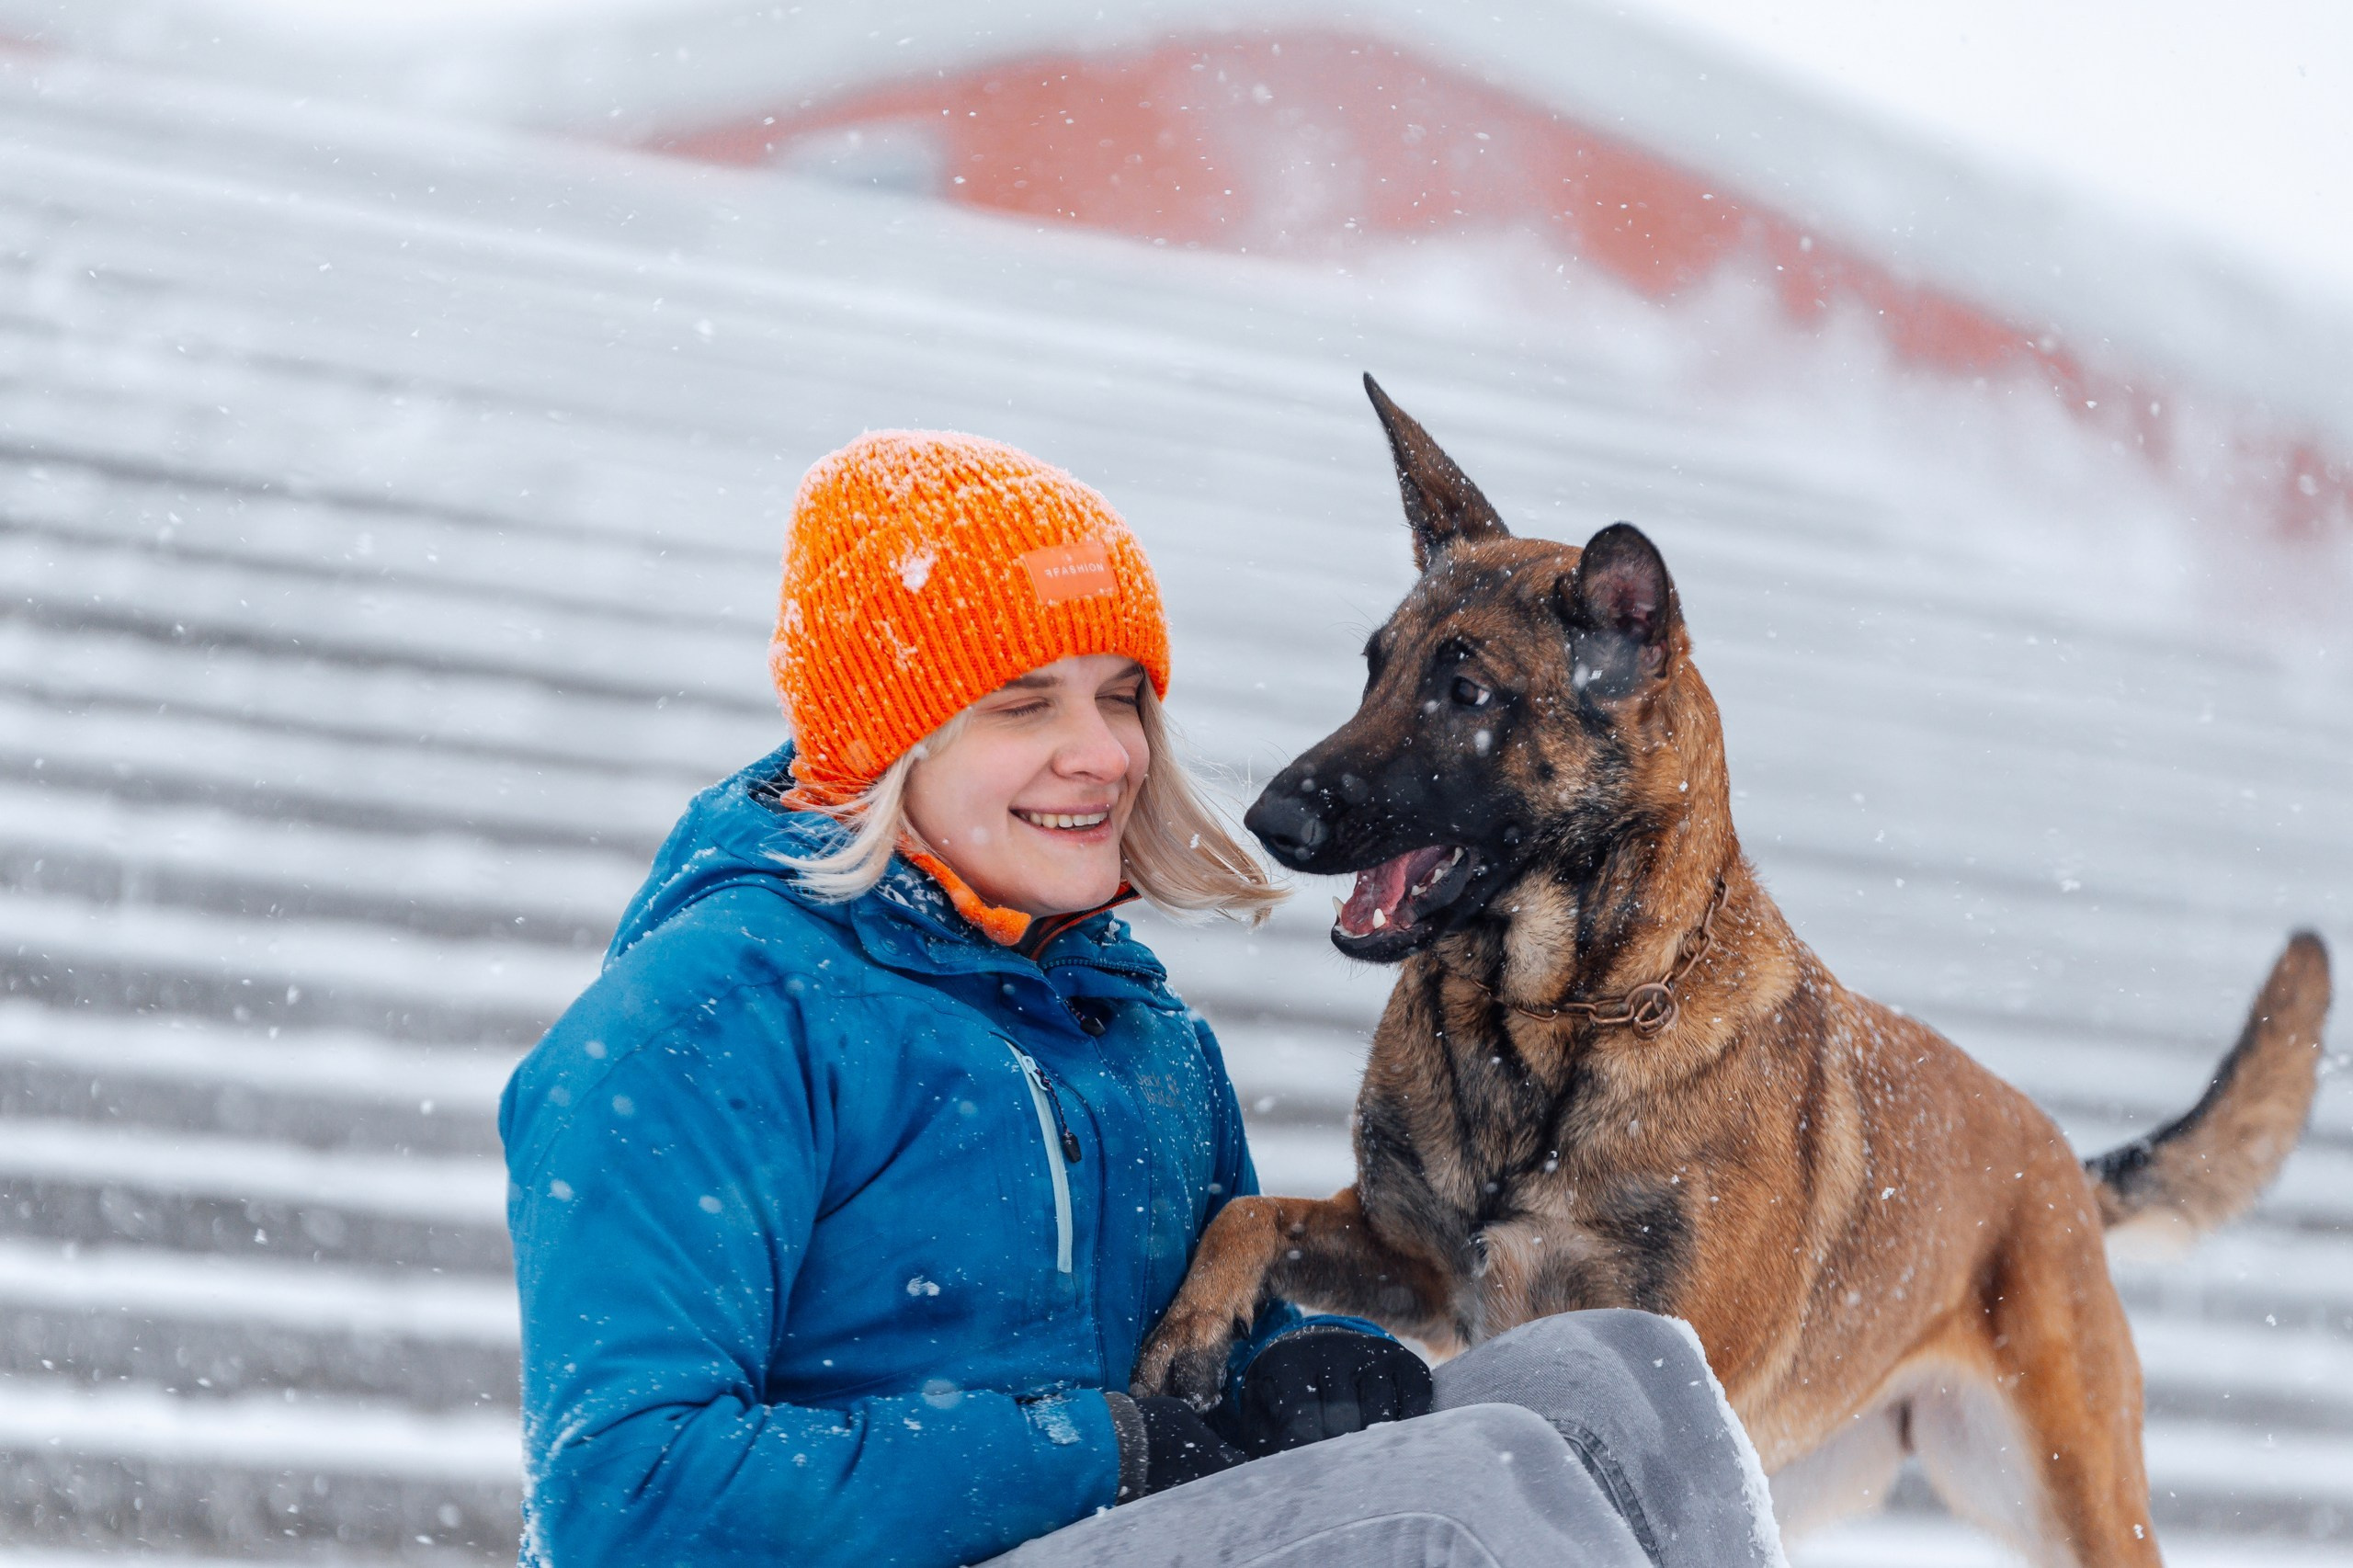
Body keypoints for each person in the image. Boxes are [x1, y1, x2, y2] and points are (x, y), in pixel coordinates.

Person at [501, 431, 1789, 1568]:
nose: (1105, 751)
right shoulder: (710, 1017)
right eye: (1025, 703)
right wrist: (1086, 1449)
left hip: (1115, 1530)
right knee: (1462, 1501)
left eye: (1123, 696)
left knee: (1622, 1378)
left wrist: (1295, 1363)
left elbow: (1206, 1366)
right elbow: (624, 1497)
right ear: (892, 739)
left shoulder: (1133, 1028)